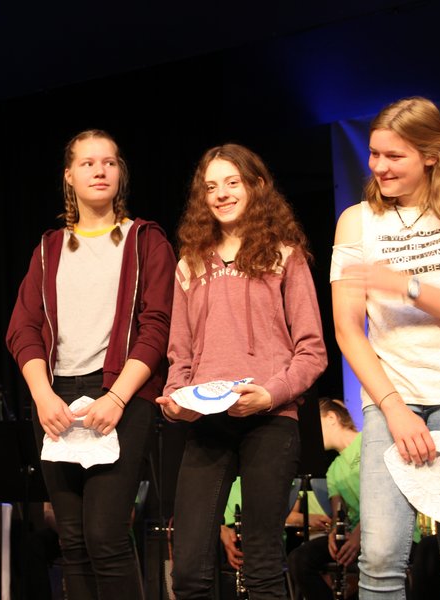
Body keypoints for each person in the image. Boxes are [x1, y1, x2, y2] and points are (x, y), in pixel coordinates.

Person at [331, 96, 440, 598]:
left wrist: (407, 286)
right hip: (391, 397)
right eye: (374, 153)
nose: (379, 166)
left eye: (394, 156)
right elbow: (347, 328)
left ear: (431, 155)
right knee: (380, 554)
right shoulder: (357, 221)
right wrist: (393, 408)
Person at [7, 129, 175, 599]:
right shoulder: (49, 248)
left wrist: (117, 397)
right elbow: (23, 328)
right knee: (73, 539)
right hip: (55, 398)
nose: (100, 171)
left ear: (121, 172)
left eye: (109, 162)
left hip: (120, 392)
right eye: (87, 163)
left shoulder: (145, 240)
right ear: (69, 176)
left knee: (105, 535)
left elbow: (157, 327)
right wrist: (42, 395)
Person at [157, 143, 327, 599]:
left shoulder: (285, 256)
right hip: (208, 422)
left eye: (232, 182)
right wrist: (176, 398)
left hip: (269, 419)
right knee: (188, 571)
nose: (221, 194)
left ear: (256, 186)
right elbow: (180, 354)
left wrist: (271, 394)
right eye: (211, 186)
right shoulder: (190, 264)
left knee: (262, 564)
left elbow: (312, 351)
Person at [287, 399, 362, 600]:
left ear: (331, 418)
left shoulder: (370, 444)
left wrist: (359, 535)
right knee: (300, 559)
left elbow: (383, 501)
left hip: (381, 531)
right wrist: (335, 532)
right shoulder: (333, 470)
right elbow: (338, 515)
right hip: (354, 538)